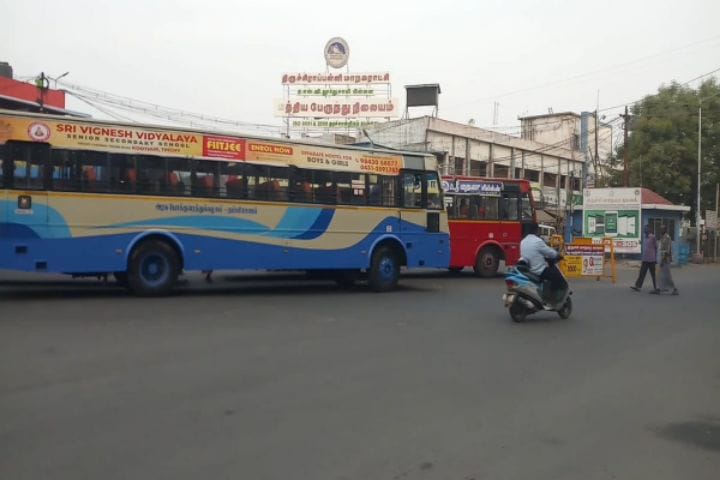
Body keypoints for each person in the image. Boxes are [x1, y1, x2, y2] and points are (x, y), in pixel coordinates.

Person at [520, 222, 566, 306]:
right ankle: (552, 298)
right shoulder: (537, 241)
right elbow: (550, 252)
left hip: (528, 270)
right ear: (536, 230)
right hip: (539, 271)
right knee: (557, 276)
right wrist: (558, 255)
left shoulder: (523, 241)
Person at [631, 225, 659, 293]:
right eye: (644, 229)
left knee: (653, 275)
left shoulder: (653, 237)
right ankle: (638, 286)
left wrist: (656, 258)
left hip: (651, 260)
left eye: (646, 229)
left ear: (649, 230)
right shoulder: (645, 238)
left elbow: (656, 247)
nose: (644, 230)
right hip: (645, 259)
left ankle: (657, 288)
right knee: (641, 273)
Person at [657, 225, 679, 295]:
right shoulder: (662, 237)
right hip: (662, 258)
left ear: (665, 230)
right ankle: (661, 288)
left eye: (662, 229)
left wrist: (663, 260)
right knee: (661, 274)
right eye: (660, 229)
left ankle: (674, 289)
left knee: (667, 275)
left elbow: (667, 250)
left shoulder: (667, 238)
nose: (660, 230)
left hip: (665, 259)